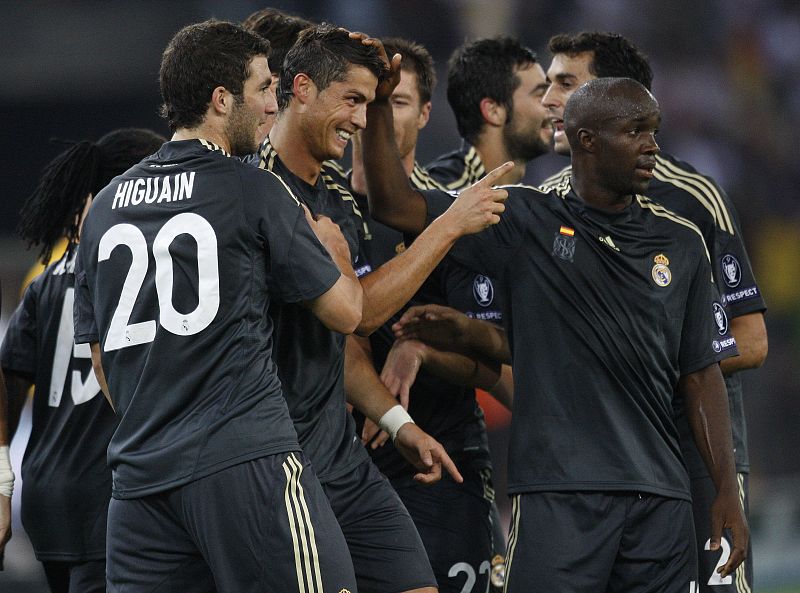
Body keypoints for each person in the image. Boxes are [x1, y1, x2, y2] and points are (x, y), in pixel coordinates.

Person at [363, 70, 749, 592]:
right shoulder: (526, 219)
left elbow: (701, 376)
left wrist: (726, 490)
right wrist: (380, 104)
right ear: (586, 140)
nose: (652, 146)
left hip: (660, 500)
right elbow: (393, 203)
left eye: (654, 130)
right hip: (558, 497)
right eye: (635, 131)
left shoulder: (680, 242)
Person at [73, 20, 363, 593]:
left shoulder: (104, 208)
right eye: (263, 88)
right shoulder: (253, 189)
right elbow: (347, 313)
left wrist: (160, 419)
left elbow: (102, 357)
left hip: (140, 483)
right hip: (246, 466)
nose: (272, 105)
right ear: (222, 99)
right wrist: (338, 254)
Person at [256, 24, 510, 593]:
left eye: (376, 103)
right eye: (354, 101)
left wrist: (399, 424)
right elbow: (359, 315)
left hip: (342, 453)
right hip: (277, 456)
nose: (362, 119)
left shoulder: (339, 200)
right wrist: (449, 226)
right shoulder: (256, 191)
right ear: (301, 89)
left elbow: (345, 343)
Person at [538, 31, 767, 592]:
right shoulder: (545, 204)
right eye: (548, 84)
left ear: (611, 95)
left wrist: (654, 367)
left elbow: (752, 338)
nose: (548, 100)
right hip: (596, 462)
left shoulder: (693, 199)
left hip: (695, 452)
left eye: (565, 83)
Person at [349, 36, 505, 593]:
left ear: (424, 114)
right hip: (338, 465)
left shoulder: (454, 215)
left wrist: (423, 351)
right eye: (366, 98)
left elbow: (491, 358)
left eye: (396, 101)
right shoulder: (313, 208)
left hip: (440, 464)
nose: (378, 112)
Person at [0, 128, 164, 593]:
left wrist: (2, 482)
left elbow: (8, 379)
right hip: (110, 495)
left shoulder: (46, 279)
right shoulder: (149, 271)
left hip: (46, 494)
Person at [425, 36, 552, 190]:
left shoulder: (524, 197)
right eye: (540, 94)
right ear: (493, 111)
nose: (551, 102)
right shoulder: (444, 194)